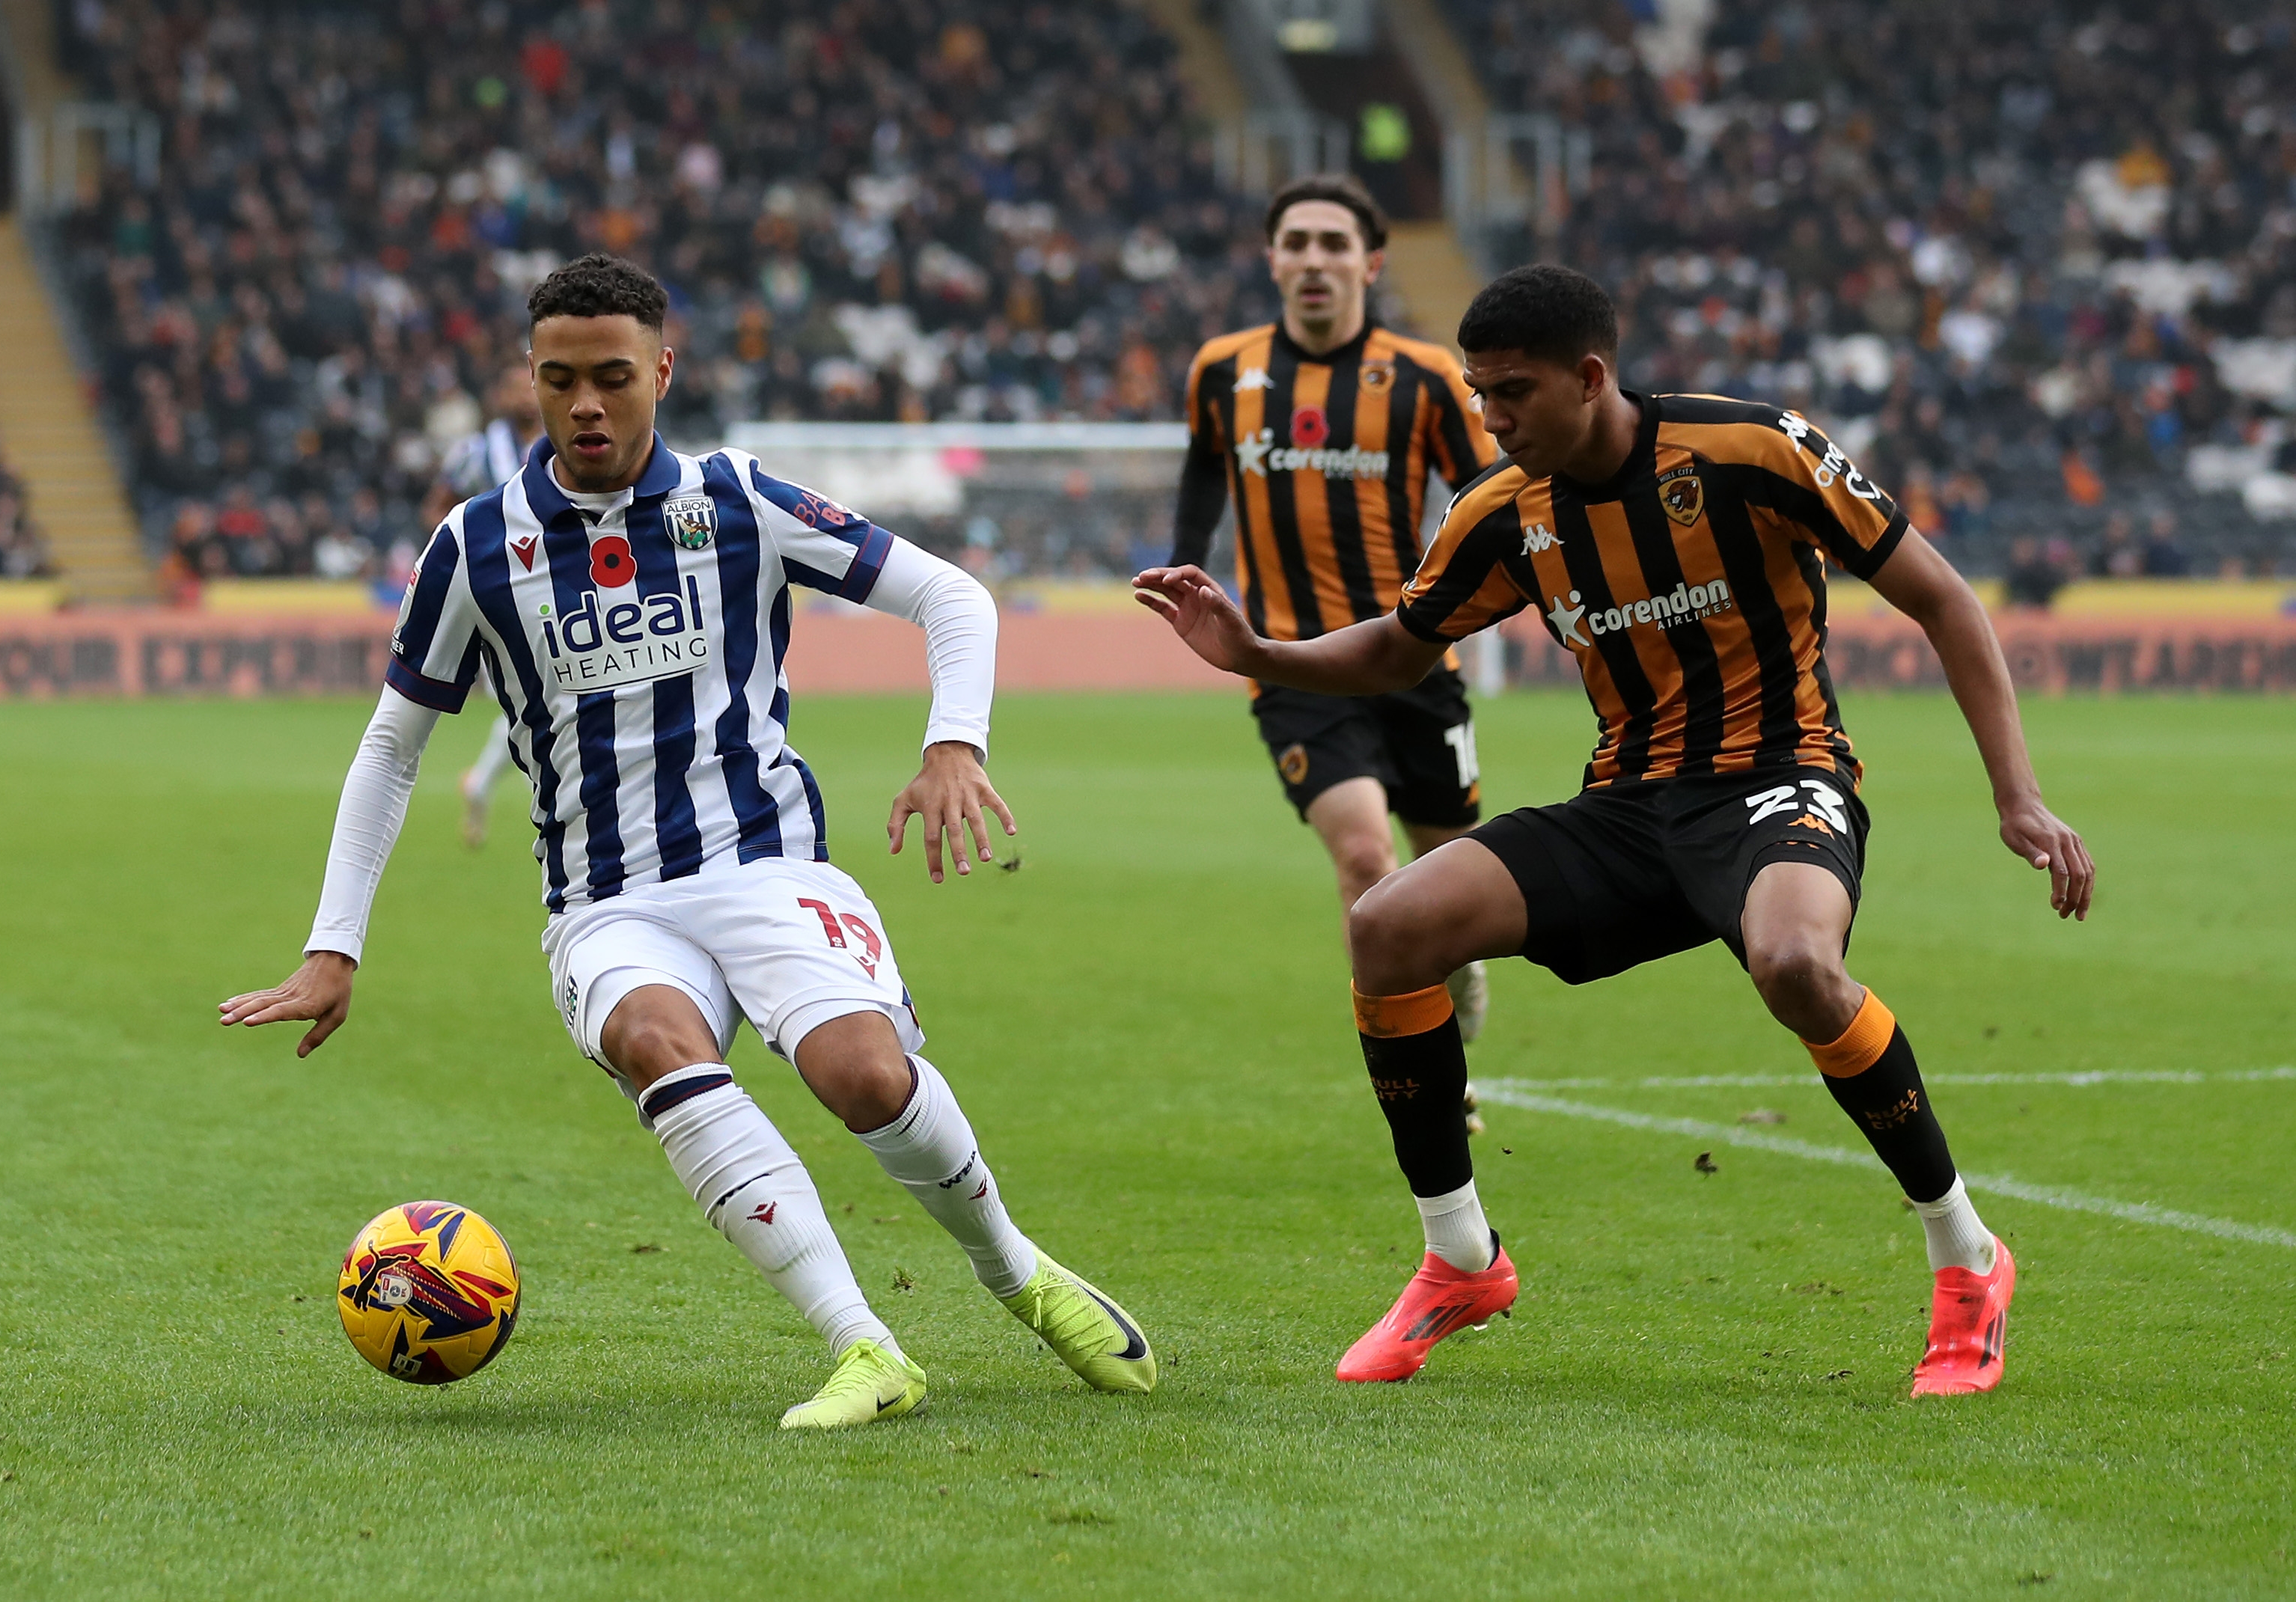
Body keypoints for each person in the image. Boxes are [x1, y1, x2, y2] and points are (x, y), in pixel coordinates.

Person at [222, 254, 1157, 1428]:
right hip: (605, 906)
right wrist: (334, 943)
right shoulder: (472, 547)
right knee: (655, 1041)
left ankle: (1013, 1270)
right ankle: (864, 1347)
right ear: (530, 378)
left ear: (663, 369)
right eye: (558, 380)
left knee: (862, 1077)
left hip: (768, 867)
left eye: (612, 377)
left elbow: (952, 597)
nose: (586, 407)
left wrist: (952, 745)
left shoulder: (737, 499)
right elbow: (391, 746)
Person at [1136, 264, 2093, 1396]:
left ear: (1589, 377)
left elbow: (1943, 599)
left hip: (1777, 781)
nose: (1488, 418)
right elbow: (1401, 645)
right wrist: (1257, 656)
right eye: (1479, 393)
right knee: (1387, 925)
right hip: (1627, 807)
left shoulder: (1753, 451)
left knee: (1793, 962)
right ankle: (1457, 1258)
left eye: (1511, 393)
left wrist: (2016, 794)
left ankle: (1964, 1255)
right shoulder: (1503, 510)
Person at [1172, 174, 1500, 1036]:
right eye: (1298, 242)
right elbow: (1207, 462)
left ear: (1371, 262)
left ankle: (1454, 985)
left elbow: (1485, 496)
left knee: (1449, 870)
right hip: (1291, 665)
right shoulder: (1222, 369)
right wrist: (1184, 561)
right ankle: (1432, 1072)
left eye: (1334, 243)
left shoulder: (1428, 377)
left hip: (1414, 658)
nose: (1314, 259)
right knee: (1364, 856)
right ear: (1272, 259)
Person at [421, 366, 546, 849]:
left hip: (554, 591)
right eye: (512, 387)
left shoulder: (562, 446)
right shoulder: (474, 453)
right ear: (500, 396)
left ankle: (483, 784)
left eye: (528, 386)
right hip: (494, 596)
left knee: (533, 704)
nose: (523, 397)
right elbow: (436, 507)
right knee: (526, 701)